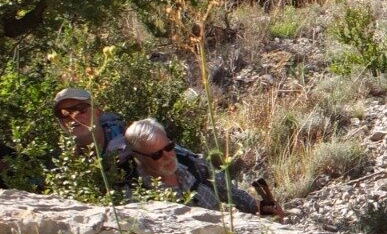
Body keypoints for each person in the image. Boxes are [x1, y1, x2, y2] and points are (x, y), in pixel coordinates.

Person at [124, 118, 262, 215]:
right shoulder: (136, 196)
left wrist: (260, 206)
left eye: (169, 147)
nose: (168, 156)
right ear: (139, 158)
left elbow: (230, 192)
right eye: (157, 155)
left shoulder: (192, 164)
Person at [52, 87, 132, 186]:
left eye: (81, 108)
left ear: (97, 112)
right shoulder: (61, 160)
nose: (73, 117)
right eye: (63, 113)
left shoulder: (129, 141)